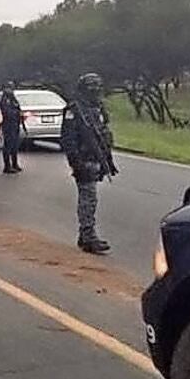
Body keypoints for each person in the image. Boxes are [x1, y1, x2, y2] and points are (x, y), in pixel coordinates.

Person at [60, 72, 118, 254]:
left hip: (96, 159)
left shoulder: (98, 108)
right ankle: (87, 235)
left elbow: (103, 134)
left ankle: (85, 235)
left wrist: (107, 160)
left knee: (91, 199)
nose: (95, 92)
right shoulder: (75, 110)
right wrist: (76, 163)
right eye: (92, 88)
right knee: (88, 199)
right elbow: (68, 139)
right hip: (83, 161)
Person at [0, 81, 23, 174]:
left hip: (15, 124)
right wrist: (16, 112)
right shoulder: (5, 99)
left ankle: (15, 164)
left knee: (15, 145)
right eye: (9, 88)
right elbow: (7, 112)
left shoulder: (12, 98)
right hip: (8, 124)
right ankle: (7, 166)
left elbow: (18, 108)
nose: (11, 90)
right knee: (8, 145)